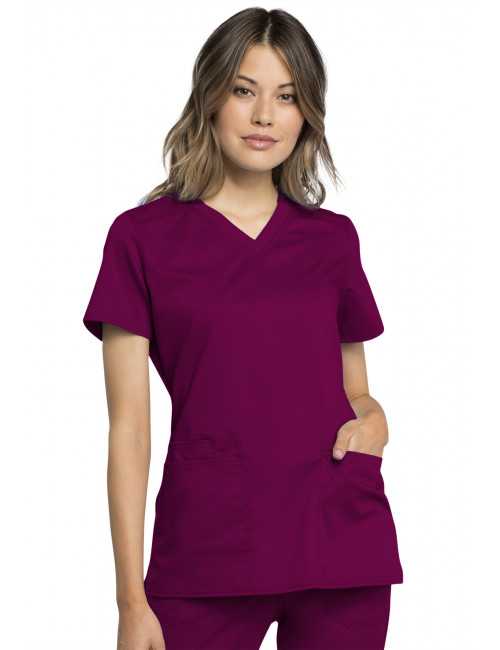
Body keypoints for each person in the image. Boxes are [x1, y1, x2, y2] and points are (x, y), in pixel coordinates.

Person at [82, 7, 403, 650]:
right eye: (243, 90)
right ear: (209, 97)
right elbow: (130, 430)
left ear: (307, 113)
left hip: (340, 542)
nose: (264, 116)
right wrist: (130, 601)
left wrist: (375, 421)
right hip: (207, 551)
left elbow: (357, 391)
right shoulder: (141, 239)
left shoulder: (333, 240)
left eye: (286, 96)